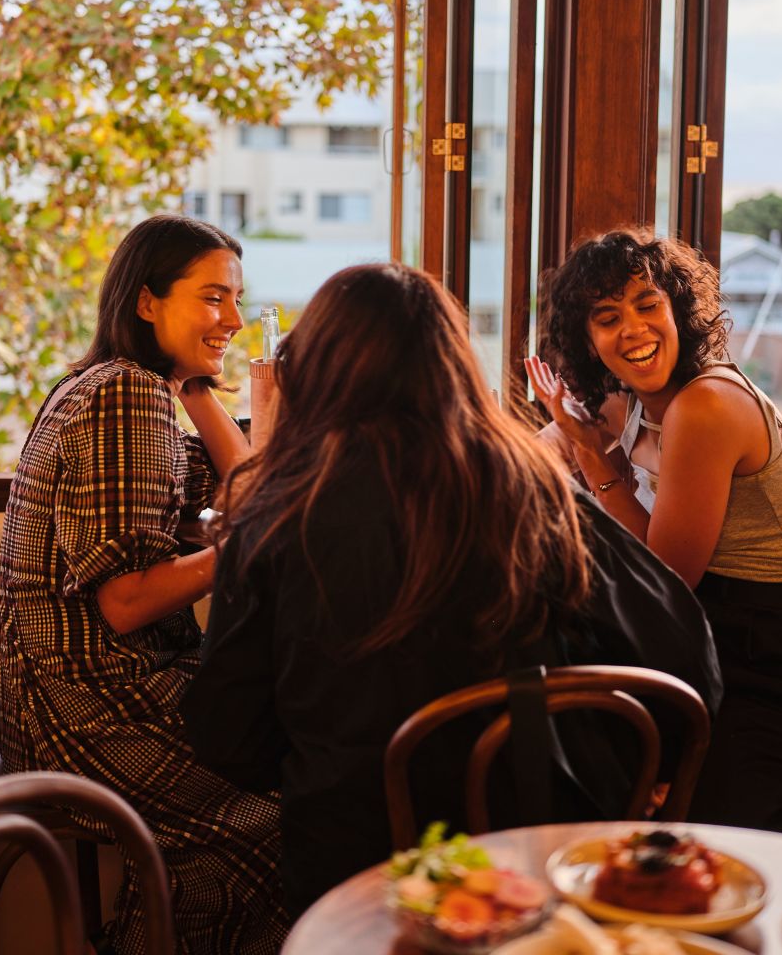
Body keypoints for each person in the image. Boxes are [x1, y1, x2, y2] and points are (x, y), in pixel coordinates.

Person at [180, 262, 721, 922]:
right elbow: (682, 651)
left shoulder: (277, 511)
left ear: (313, 372)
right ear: (454, 365)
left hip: (356, 868)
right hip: (533, 849)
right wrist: (646, 769)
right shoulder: (531, 487)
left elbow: (227, 738)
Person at [0, 215, 287, 955]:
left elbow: (251, 489)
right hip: (83, 711)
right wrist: (239, 550)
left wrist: (199, 390)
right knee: (296, 802)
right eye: (212, 298)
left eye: (237, 300)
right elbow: (124, 604)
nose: (234, 319)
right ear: (146, 301)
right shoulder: (124, 398)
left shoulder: (130, 390)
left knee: (285, 758)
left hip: (67, 700)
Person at [526, 226, 782, 836]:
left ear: (679, 309)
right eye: (607, 318)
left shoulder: (705, 405)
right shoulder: (634, 401)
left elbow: (665, 578)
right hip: (697, 633)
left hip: (760, 650)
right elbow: (531, 460)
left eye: (647, 305)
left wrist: (592, 459)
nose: (633, 330)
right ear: (588, 341)